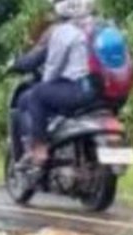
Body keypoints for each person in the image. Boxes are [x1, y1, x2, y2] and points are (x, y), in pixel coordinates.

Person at [16, 0, 99, 166]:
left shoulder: (63, 32)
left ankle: (39, 149)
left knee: (38, 94)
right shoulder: (96, 26)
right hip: (96, 88)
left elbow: (52, 69)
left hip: (78, 88)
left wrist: (45, 84)